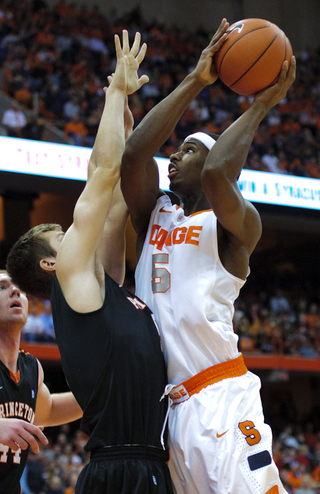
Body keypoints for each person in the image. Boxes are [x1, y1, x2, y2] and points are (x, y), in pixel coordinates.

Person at [120, 18, 296, 494]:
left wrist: (261, 104)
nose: (175, 157)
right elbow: (135, 155)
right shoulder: (154, 214)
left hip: (221, 395)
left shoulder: (234, 226)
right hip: (170, 411)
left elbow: (220, 174)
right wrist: (196, 79)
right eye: (176, 149)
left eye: (189, 150)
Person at [6, 31, 174, 494]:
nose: (74, 231)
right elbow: (100, 175)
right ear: (49, 264)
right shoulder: (74, 279)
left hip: (154, 463)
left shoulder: (106, 284)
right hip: (117, 470)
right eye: (62, 235)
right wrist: (114, 91)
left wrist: (122, 112)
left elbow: (118, 196)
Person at [0, 270, 82, 494]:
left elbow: (50, 410)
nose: (15, 290)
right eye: (2, 287)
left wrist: (102, 393)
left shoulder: (31, 368)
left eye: (20, 289)